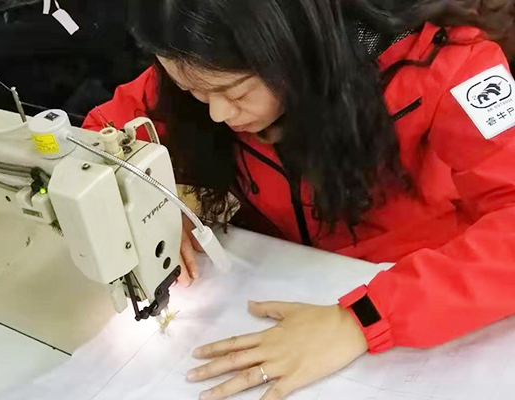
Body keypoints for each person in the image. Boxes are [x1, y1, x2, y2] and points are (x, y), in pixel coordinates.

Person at [83, 1, 515, 399]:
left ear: (292, 44)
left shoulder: (450, 67)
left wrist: (364, 318)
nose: (216, 113)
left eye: (235, 93)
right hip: (275, 275)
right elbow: (100, 135)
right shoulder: (202, 59)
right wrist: (147, 192)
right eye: (193, 92)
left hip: (416, 293)